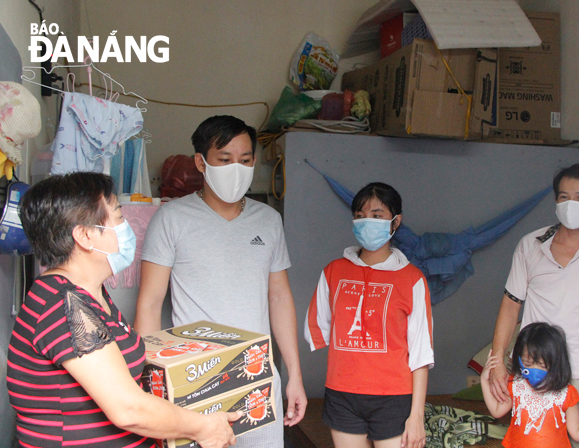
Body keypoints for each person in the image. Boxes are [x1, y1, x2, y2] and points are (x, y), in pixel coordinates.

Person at [7, 172, 240, 448]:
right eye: (118, 217)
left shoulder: (89, 294)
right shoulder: (64, 305)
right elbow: (128, 409)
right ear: (85, 235)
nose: (127, 226)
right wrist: (204, 427)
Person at [134, 115, 306, 448]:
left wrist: (294, 377)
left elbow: (280, 298)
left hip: (257, 377)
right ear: (201, 162)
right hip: (195, 379)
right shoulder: (171, 219)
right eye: (225, 160)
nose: (236, 169)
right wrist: (150, 385)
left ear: (255, 161)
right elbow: (150, 302)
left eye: (244, 161)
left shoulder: (269, 221)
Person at [488, 163, 579, 448]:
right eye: (563, 197)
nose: (570, 204)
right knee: (534, 440)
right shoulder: (530, 245)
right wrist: (498, 361)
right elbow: (510, 305)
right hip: (533, 370)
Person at [305, 182, 434, 448]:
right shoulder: (333, 272)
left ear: (395, 222)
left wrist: (417, 416)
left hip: (394, 397)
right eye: (361, 215)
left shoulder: (412, 279)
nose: (367, 222)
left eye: (377, 215)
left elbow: (421, 352)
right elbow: (320, 328)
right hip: (342, 395)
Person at [481, 322, 579, 447]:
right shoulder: (517, 385)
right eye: (528, 364)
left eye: (542, 365)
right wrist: (484, 381)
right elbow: (497, 410)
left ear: (556, 364)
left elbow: (577, 432)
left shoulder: (567, 394)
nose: (535, 371)